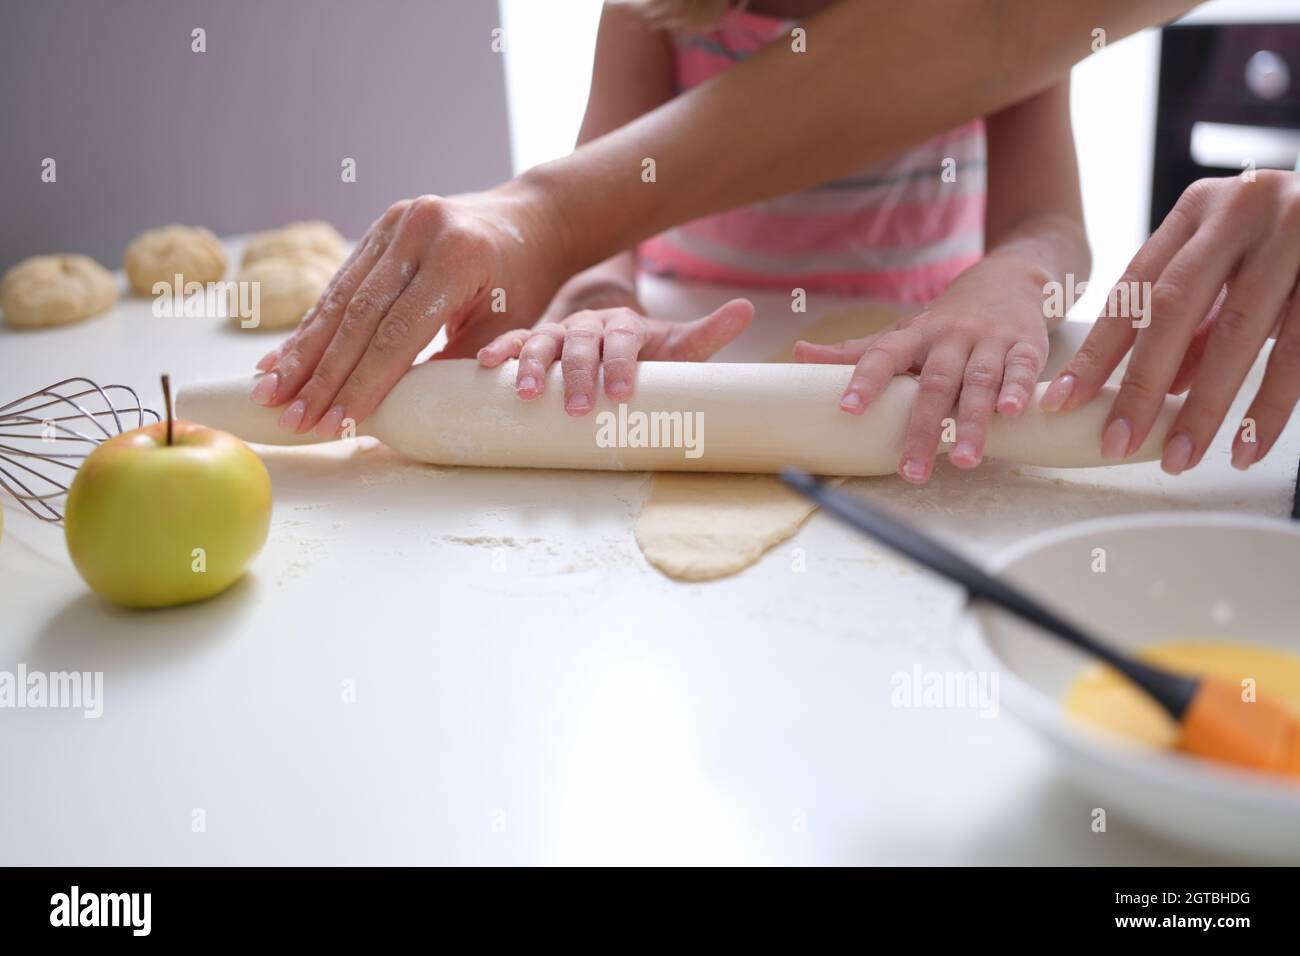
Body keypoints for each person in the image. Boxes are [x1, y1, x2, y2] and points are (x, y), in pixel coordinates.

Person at [248, 0, 1299, 477]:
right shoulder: (654, 8)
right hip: (693, 364)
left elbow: (1050, 222)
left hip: (897, 367)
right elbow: (596, 220)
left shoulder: (1001, 16)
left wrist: (1013, 282)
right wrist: (593, 303)